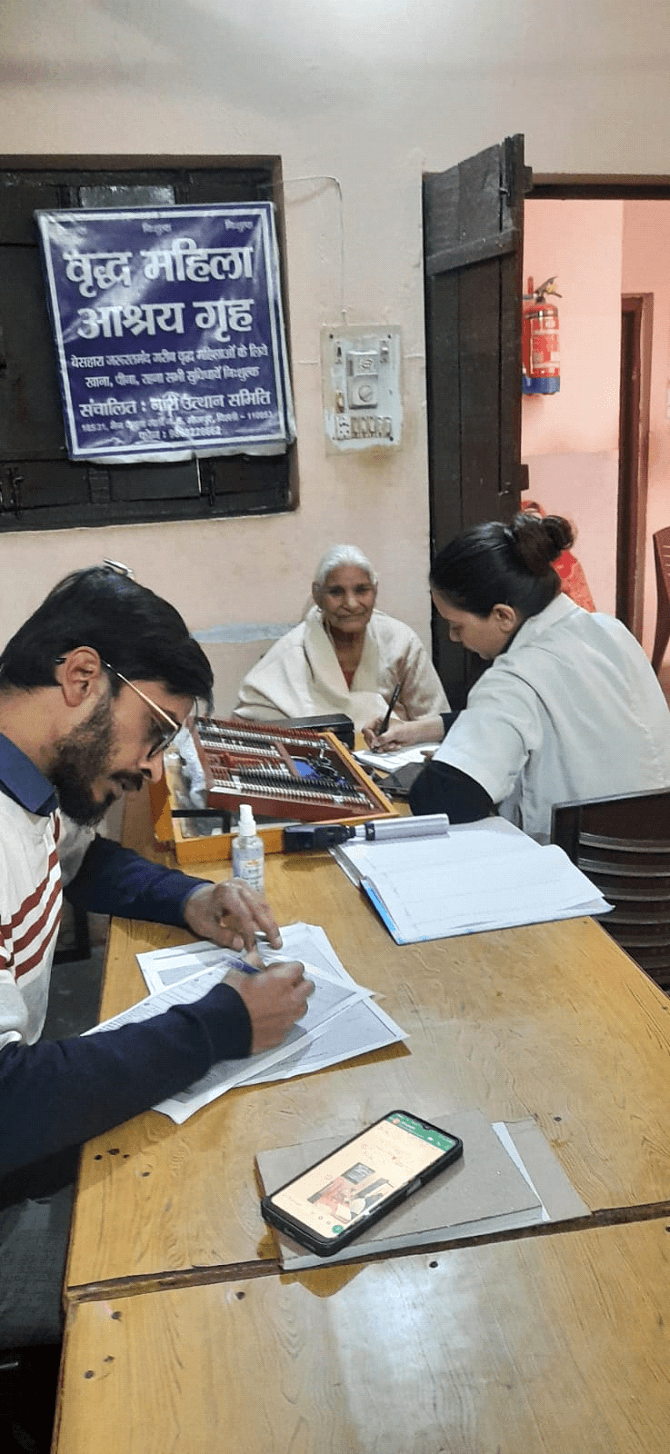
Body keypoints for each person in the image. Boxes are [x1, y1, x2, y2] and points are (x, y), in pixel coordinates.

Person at [0, 564, 313, 1354]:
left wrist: (184, 900)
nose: (151, 767)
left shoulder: (32, 784)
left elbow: (78, 862)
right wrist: (220, 1026)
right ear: (80, 677)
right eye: (158, 731)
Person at [363, 513, 670, 842]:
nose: (454, 637)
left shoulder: (514, 675)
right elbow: (546, 716)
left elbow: (440, 800)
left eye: (457, 625)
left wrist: (448, 759)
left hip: (581, 870)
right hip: (653, 863)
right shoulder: (609, 630)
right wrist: (422, 729)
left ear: (502, 616)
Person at [233, 544, 449, 733]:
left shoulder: (401, 642)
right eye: (336, 592)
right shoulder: (292, 652)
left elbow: (436, 721)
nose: (351, 603)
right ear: (317, 596)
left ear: (375, 591)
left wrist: (403, 733)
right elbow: (244, 722)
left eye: (361, 590)